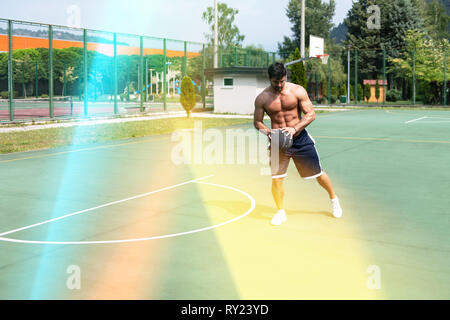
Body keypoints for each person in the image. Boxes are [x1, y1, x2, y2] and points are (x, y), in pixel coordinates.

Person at [253, 62, 342, 225]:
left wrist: (294, 129)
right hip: (278, 141)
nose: (279, 85)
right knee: (276, 178)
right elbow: (257, 122)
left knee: (318, 173)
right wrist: (268, 132)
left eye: (281, 81)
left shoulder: (297, 91)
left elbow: (311, 114)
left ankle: (333, 198)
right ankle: (280, 211)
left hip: (299, 138)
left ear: (285, 77)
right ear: (269, 79)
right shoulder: (262, 98)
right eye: (275, 82)